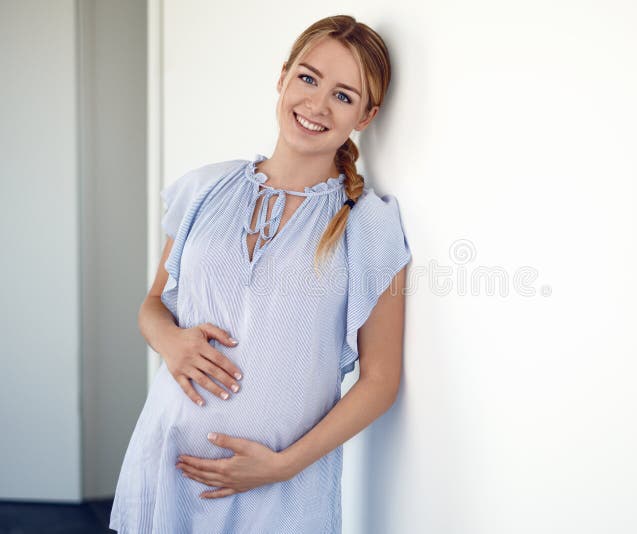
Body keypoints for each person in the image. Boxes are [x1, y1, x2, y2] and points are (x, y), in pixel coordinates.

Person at [109, 14, 411, 533]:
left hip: (281, 492)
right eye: (308, 78)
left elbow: (381, 380)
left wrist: (281, 466)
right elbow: (153, 304)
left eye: (343, 95)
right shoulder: (203, 189)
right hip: (167, 468)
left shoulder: (369, 226)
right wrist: (171, 343)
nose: (316, 105)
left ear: (366, 114)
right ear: (283, 77)